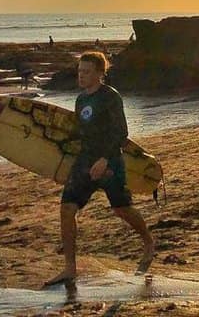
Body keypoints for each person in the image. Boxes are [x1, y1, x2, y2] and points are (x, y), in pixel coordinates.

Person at [47, 52, 154, 286]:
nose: (81, 76)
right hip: (85, 161)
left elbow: (121, 132)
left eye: (86, 72)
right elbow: (79, 135)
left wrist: (105, 159)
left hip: (110, 163)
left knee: (122, 209)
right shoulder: (80, 100)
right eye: (79, 71)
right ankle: (69, 268)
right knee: (67, 209)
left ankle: (148, 242)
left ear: (99, 73)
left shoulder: (110, 97)